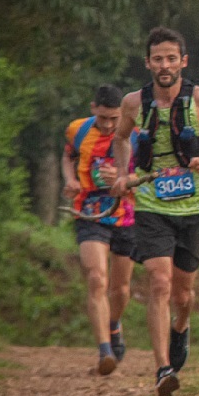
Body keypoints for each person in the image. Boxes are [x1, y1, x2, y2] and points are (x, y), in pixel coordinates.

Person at [111, 27, 199, 396]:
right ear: (147, 62)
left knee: (183, 294)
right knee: (159, 283)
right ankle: (162, 368)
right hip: (151, 204)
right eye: (157, 59)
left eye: (171, 58)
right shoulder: (133, 104)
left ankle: (181, 326)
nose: (164, 65)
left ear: (183, 61)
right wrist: (123, 174)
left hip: (195, 205)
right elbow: (120, 137)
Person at [61, 84, 138, 376]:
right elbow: (67, 156)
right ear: (93, 108)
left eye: (114, 119)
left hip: (126, 215)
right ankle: (104, 350)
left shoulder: (137, 134)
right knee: (96, 278)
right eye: (103, 118)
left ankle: (114, 324)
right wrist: (70, 179)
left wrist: (124, 177)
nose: (107, 125)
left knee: (120, 289)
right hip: (88, 213)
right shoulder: (77, 130)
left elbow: (147, 174)